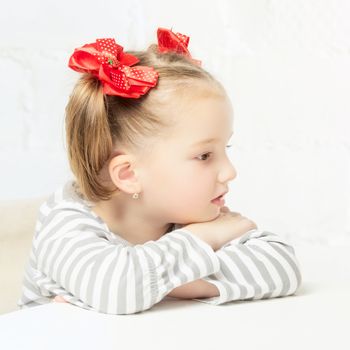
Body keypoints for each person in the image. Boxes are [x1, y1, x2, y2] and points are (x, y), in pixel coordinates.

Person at [17, 27, 302, 315]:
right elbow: (119, 290)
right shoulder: (65, 225)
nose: (229, 171)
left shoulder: (183, 215)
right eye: (204, 155)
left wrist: (162, 285)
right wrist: (204, 239)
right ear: (129, 174)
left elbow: (281, 266)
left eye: (225, 149)